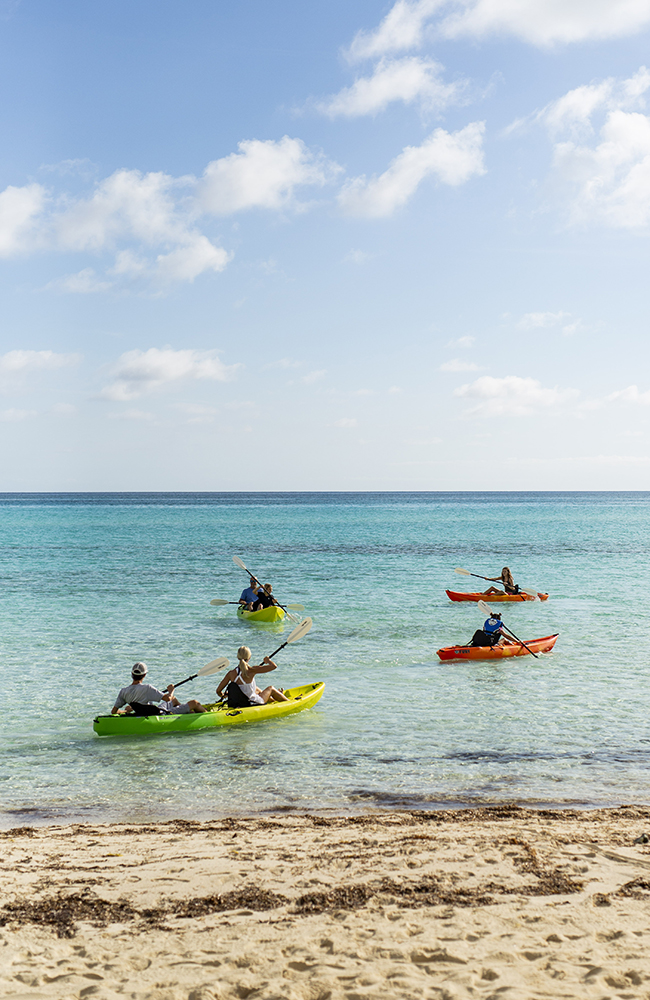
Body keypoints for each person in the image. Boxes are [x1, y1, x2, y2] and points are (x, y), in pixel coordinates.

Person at [112, 662, 206, 716]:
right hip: (160, 715)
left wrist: (125, 711)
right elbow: (167, 698)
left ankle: (186, 712)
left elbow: (114, 712)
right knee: (195, 703)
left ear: (132, 674)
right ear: (144, 675)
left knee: (174, 699)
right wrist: (171, 690)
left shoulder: (123, 691)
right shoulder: (147, 688)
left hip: (150, 712)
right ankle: (206, 714)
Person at [216, 646, 289, 708]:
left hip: (237, 703)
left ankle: (274, 699)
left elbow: (218, 691)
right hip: (251, 703)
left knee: (256, 689)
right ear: (249, 657)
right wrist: (268, 660)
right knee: (271, 689)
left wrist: (225, 695)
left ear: (238, 657)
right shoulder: (252, 670)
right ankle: (289, 703)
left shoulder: (231, 673)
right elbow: (273, 666)